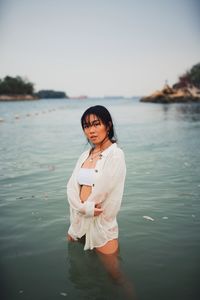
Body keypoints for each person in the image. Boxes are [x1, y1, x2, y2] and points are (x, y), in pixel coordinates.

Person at [66, 105, 126, 255]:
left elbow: (103, 190)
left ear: (108, 125)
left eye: (96, 124)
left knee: (116, 277)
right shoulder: (85, 155)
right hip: (78, 224)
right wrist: (82, 210)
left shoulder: (115, 155)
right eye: (86, 126)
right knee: (78, 272)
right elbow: (71, 187)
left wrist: (86, 210)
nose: (91, 131)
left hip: (100, 226)